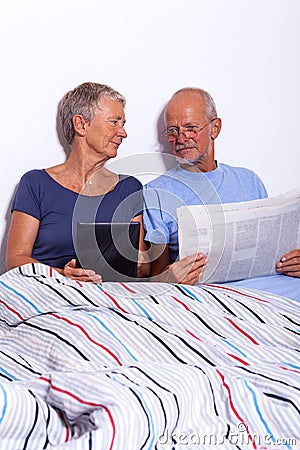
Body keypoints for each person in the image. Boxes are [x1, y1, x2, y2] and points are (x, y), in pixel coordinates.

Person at [6, 82, 204, 285]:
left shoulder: (128, 188)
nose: (123, 133)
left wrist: (147, 263)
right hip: (49, 291)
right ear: (81, 125)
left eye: (123, 124)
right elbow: (16, 259)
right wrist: (62, 274)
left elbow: (141, 268)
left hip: (109, 297)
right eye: (114, 122)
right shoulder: (36, 184)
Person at [143, 87, 300, 297]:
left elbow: (272, 249)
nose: (181, 138)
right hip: (214, 300)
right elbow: (155, 278)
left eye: (191, 127)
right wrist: (169, 279)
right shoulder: (156, 192)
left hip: (278, 292)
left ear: (215, 128)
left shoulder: (249, 180)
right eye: (172, 130)